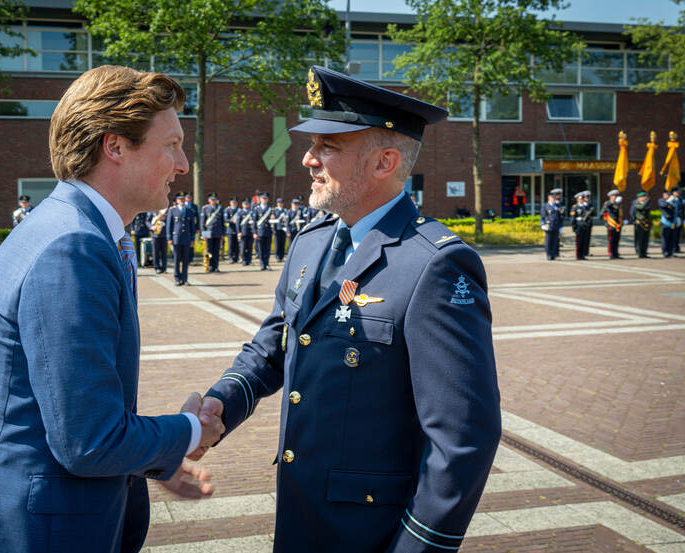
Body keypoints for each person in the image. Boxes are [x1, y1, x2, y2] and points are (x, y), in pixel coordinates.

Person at [192, 65, 500, 553]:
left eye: (328, 147)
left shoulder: (434, 265)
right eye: (312, 145)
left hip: (371, 534)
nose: (308, 159)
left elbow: (463, 439)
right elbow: (272, 348)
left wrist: (418, 547)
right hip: (301, 513)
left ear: (384, 162)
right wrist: (221, 404)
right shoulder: (310, 243)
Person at [0, 66, 224, 553]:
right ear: (115, 146)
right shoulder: (74, 247)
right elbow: (88, 439)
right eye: (170, 144)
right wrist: (191, 431)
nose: (183, 164)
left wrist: (157, 457)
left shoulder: (66, 226)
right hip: (33, 530)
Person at [167, 191, 197, 285]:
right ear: (177, 200)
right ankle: (177, 278)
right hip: (176, 238)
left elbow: (192, 226)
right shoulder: (173, 210)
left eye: (183, 199)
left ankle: (184, 279)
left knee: (185, 259)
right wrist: (169, 238)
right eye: (180, 199)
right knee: (176, 259)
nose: (182, 201)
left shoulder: (189, 211)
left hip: (187, 238)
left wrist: (192, 239)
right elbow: (169, 225)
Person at [201, 193, 225, 272]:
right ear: (208, 200)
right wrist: (203, 233)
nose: (213, 201)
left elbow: (222, 222)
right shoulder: (205, 208)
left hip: (217, 232)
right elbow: (202, 222)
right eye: (211, 199)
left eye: (214, 199)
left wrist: (222, 234)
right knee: (209, 250)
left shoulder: (220, 208)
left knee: (216, 251)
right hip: (208, 232)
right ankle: (210, 266)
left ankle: (216, 266)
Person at [253, 192, 274, 270]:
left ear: (268, 199)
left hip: (268, 231)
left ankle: (267, 263)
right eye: (263, 198)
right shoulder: (257, 209)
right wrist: (255, 232)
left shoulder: (270, 209)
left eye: (266, 198)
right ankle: (262, 264)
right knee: (261, 249)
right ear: (260, 199)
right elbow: (254, 222)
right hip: (260, 232)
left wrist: (273, 219)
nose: (264, 200)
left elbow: (273, 222)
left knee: (267, 249)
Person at [600, 189, 623, 259]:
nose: (615, 197)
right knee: (611, 240)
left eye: (616, 195)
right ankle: (611, 253)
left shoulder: (618, 204)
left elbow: (620, 213)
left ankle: (616, 253)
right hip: (611, 224)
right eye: (613, 196)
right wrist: (606, 222)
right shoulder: (607, 203)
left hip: (618, 224)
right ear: (610, 196)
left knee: (617, 239)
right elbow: (602, 213)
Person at [569, 192, 592, 260]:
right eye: (580, 199)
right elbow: (572, 218)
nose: (582, 200)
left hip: (585, 226)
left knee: (583, 241)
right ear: (577, 200)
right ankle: (578, 255)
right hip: (579, 226)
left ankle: (582, 255)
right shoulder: (575, 207)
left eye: (582, 199)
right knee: (579, 242)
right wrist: (574, 227)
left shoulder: (585, 207)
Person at [630, 192, 652, 259]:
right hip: (640, 223)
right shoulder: (636, 203)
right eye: (644, 197)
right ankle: (640, 253)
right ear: (639, 198)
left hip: (646, 223)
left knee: (645, 239)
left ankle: (644, 252)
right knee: (640, 239)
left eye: (645, 197)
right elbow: (641, 207)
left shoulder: (647, 204)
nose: (645, 198)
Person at [540, 190, 562, 260]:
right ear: (549, 198)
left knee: (555, 241)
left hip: (556, 226)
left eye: (555, 198)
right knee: (548, 241)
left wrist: (561, 226)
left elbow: (559, 217)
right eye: (552, 198)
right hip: (548, 226)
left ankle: (553, 254)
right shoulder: (545, 206)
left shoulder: (557, 206)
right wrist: (543, 224)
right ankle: (549, 254)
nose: (554, 199)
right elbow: (543, 216)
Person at [148, 208, 168, 273]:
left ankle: (164, 268)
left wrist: (165, 219)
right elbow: (147, 221)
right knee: (155, 252)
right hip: (155, 235)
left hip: (164, 234)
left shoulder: (165, 211)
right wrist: (151, 226)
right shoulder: (153, 211)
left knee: (164, 252)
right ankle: (156, 267)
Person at [236, 198, 254, 265]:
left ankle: (249, 260)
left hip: (250, 232)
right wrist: (238, 232)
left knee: (250, 247)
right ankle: (244, 260)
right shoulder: (240, 212)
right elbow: (237, 223)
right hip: (243, 232)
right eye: (244, 204)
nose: (246, 205)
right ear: (242, 204)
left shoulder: (251, 212)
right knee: (243, 248)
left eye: (247, 204)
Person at [659, 190, 677, 258]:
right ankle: (665, 252)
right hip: (665, 222)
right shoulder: (661, 200)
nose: (665, 196)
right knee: (665, 238)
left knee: (672, 238)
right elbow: (664, 205)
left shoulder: (673, 201)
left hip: (673, 221)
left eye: (667, 195)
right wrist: (669, 201)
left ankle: (670, 251)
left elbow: (675, 207)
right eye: (664, 195)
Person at [224, 197, 241, 263]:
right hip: (230, 230)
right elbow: (225, 219)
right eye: (233, 202)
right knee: (230, 245)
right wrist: (232, 221)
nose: (234, 204)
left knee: (237, 245)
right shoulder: (227, 210)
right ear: (230, 203)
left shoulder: (239, 210)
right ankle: (230, 257)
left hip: (237, 230)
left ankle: (236, 257)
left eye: (235, 202)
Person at [272, 197, 288, 261]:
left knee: (282, 243)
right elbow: (273, 221)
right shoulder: (274, 210)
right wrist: (273, 229)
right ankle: (277, 256)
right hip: (277, 228)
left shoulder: (285, 210)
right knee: (277, 243)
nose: (280, 204)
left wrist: (285, 220)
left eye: (281, 203)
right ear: (277, 204)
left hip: (283, 229)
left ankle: (281, 256)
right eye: (279, 203)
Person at [672, 187, 685, 253]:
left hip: (680, 218)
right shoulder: (671, 199)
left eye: (678, 192)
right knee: (674, 233)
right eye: (676, 192)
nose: (678, 193)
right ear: (673, 193)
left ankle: (677, 248)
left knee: (678, 234)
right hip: (674, 218)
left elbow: (683, 210)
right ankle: (673, 248)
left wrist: (684, 219)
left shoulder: (681, 200)